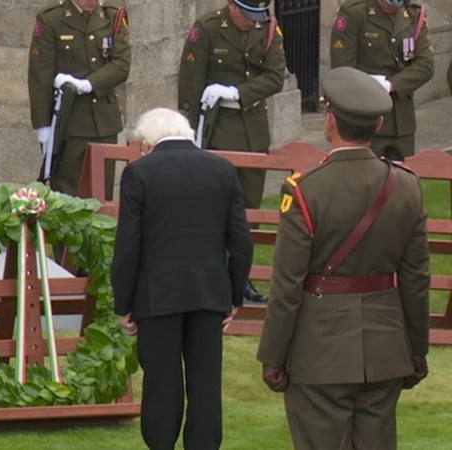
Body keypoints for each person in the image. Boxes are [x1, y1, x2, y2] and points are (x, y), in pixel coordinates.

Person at [256, 66, 430, 450]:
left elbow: (287, 284)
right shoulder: (406, 187)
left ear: (329, 121)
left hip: (319, 350)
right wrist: (417, 349)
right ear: (380, 123)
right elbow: (416, 280)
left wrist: (273, 356)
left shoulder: (306, 190)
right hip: (386, 348)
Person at [112, 107, 253, 449]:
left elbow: (128, 245)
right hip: (209, 293)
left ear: (148, 141)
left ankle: (161, 444)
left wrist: (124, 303)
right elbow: (241, 242)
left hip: (157, 294)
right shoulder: (222, 170)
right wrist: (234, 297)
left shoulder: (139, 173)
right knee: (206, 384)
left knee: (162, 382)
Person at [178, 0, 285, 303]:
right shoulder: (209, 28)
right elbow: (190, 81)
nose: (252, 23)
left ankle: (241, 277)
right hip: (216, 130)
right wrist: (187, 132)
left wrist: (238, 93)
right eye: (247, 16)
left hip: (252, 131)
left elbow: (275, 76)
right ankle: (208, 276)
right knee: (212, 210)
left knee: (248, 211)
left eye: (257, 17)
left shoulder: (268, 30)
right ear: (231, 6)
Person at [27, 0, 131, 197]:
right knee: (69, 196)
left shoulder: (113, 17)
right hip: (69, 122)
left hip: (104, 123)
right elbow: (40, 75)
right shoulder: (51, 19)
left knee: (101, 195)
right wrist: (43, 126)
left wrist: (89, 84)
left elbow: (122, 65)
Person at [330, 0, 434, 162]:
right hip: (365, 119)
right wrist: (370, 86)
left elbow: (426, 66)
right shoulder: (355, 13)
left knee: (402, 182)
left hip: (401, 121)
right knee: (366, 180)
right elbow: (343, 71)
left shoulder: (413, 14)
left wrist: (391, 85)